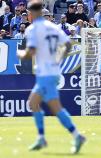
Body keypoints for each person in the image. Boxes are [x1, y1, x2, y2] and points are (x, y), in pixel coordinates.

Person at [17, 0, 86, 154]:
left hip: (46, 75)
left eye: (28, 13)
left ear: (32, 13)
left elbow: (31, 52)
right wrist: (58, 58)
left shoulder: (33, 29)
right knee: (33, 103)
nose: (27, 16)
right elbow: (68, 44)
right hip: (51, 72)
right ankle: (41, 138)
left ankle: (77, 135)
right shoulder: (53, 27)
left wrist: (20, 53)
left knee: (56, 109)